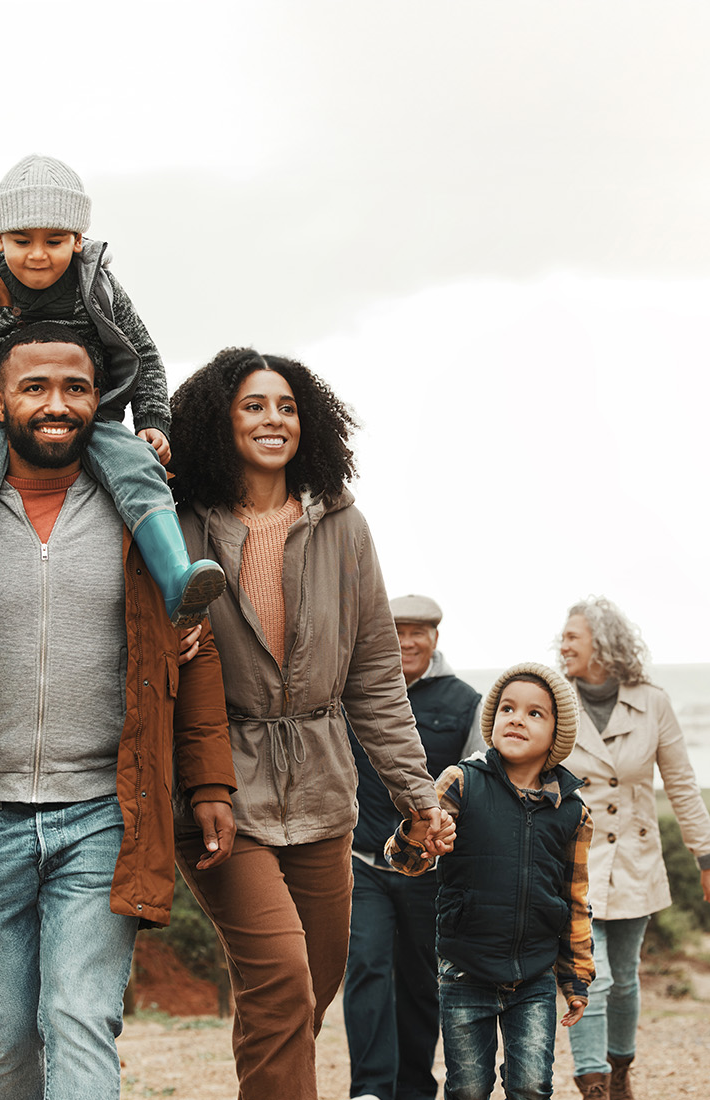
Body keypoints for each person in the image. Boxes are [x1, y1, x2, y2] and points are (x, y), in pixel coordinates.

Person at [0, 323, 239, 1100]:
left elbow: (191, 653)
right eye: (35, 388)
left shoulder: (144, 512)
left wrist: (210, 786)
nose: (57, 404)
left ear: (101, 400)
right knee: (1, 1037)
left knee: (81, 1018)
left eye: (77, 388)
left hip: (102, 813)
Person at [165, 347, 455, 1099]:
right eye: (254, 405)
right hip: (220, 788)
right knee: (281, 980)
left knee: (309, 990)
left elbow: (375, 680)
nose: (273, 419)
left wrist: (416, 795)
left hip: (326, 792)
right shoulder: (179, 522)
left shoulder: (344, 526)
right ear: (218, 421)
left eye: (287, 406)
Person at [0, 153, 224, 651]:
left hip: (90, 417)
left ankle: (176, 582)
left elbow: (142, 352)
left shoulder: (98, 287)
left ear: (78, 240)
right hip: (3, 420)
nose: (38, 254)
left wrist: (152, 420)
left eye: (55, 240)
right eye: (22, 241)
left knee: (136, 464)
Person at [387, 662, 595, 1100]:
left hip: (534, 974)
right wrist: (419, 836)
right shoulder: (460, 782)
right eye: (507, 708)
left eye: (535, 713)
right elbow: (405, 862)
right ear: (492, 720)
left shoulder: (573, 812)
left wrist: (576, 978)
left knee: (532, 1085)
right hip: (465, 969)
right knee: (467, 1088)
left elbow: (575, 900)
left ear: (557, 735)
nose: (517, 718)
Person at [558, 598, 710, 1100]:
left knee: (626, 979)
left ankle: (620, 1071)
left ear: (603, 646)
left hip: (635, 860)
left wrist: (708, 856)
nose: (562, 645)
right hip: (571, 863)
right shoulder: (552, 697)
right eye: (563, 637)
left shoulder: (652, 701)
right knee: (594, 976)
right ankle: (593, 1083)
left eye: (573, 637)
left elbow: (681, 784)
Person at [344, 594, 483, 1100]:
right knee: (367, 966)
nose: (407, 641)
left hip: (429, 870)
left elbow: (477, 782)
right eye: (397, 630)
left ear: (435, 639)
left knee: (423, 981)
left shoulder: (464, 701)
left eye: (418, 632)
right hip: (361, 862)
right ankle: (372, 1089)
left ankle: (415, 1089)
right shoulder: (356, 688)